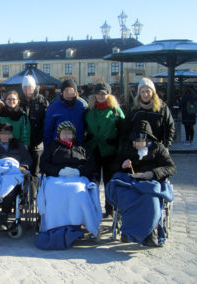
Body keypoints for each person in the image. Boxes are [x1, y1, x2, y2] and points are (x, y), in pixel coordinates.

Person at [107, 120, 176, 246]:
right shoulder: (128, 148)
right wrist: (122, 165)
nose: (137, 144)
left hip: (151, 182)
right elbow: (113, 167)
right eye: (135, 142)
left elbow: (171, 167)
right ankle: (129, 231)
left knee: (150, 199)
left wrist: (153, 173)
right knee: (125, 195)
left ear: (148, 139)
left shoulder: (158, 148)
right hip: (131, 182)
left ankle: (149, 231)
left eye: (140, 142)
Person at [36, 121, 101, 250]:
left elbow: (91, 164)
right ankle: (54, 224)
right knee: (53, 191)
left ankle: (80, 222)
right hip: (56, 178)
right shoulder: (52, 147)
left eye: (69, 132)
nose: (67, 135)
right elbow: (44, 164)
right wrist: (58, 171)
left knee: (79, 191)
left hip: (77, 178)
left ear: (73, 134)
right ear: (59, 134)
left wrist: (79, 171)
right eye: (64, 132)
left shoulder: (82, 147)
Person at [0, 123, 32, 231]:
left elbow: (28, 159)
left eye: (7, 134)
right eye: (2, 133)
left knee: (10, 183)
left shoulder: (18, 145)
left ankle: (4, 217)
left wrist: (23, 167)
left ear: (11, 135)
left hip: (12, 171)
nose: (5, 136)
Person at [85, 82, 125, 218]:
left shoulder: (115, 110)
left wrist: (120, 149)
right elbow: (83, 129)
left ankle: (110, 208)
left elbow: (122, 131)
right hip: (94, 149)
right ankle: (93, 207)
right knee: (94, 181)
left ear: (108, 95)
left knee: (110, 181)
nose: (101, 96)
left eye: (104, 93)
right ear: (95, 95)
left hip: (110, 151)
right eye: (98, 93)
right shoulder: (89, 110)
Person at [123, 78, 175, 148]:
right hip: (138, 149)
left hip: (157, 149)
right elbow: (126, 128)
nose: (145, 94)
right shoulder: (134, 109)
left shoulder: (162, 107)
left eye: (148, 91)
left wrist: (166, 146)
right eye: (143, 92)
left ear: (153, 92)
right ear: (139, 93)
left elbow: (169, 127)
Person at [19, 75, 49, 196]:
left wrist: (42, 138)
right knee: (23, 170)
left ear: (34, 87)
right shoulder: (18, 101)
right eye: (25, 87)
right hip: (22, 143)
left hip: (37, 142)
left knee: (35, 171)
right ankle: (23, 195)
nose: (27, 89)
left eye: (30, 87)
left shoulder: (42, 101)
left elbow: (46, 122)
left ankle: (34, 196)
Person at [43, 79, 87, 147]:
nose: (69, 93)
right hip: (59, 147)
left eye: (71, 90)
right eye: (66, 90)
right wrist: (48, 150)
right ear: (62, 92)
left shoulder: (82, 106)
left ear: (75, 92)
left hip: (78, 146)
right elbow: (48, 131)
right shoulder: (53, 108)